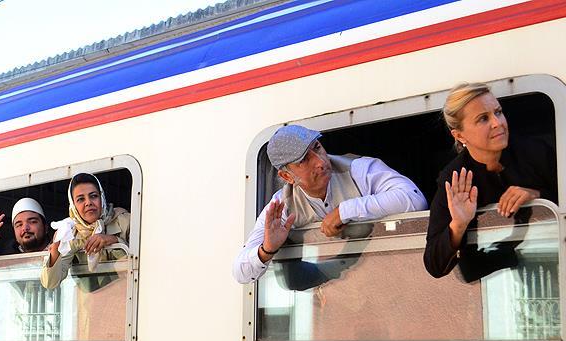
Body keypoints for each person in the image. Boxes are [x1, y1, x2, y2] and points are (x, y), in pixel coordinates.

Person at [232, 125, 427, 283]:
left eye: (317, 147)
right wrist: (267, 249)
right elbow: (240, 272)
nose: (320, 162)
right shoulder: (281, 204)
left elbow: (414, 198)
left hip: (393, 277)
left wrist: (345, 210)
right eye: (304, 160)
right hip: (343, 296)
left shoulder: (359, 170)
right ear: (286, 176)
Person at [423, 82, 557, 279]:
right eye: (483, 118)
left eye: (498, 112)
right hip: (500, 280)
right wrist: (458, 224)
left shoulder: (536, 152)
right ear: (459, 135)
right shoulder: (454, 178)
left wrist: (537, 196)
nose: (497, 123)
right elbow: (434, 265)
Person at [41, 173, 130, 289]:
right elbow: (50, 283)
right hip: (92, 299)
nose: (88, 202)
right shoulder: (68, 232)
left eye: (93, 196)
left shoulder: (125, 221)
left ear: (101, 198)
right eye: (80, 199)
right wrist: (54, 253)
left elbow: (142, 265)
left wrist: (114, 241)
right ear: (73, 205)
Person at [0, 197, 52, 261]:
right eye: (19, 225)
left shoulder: (58, 246)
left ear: (45, 227)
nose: (25, 228)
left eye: (32, 222)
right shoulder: (8, 250)